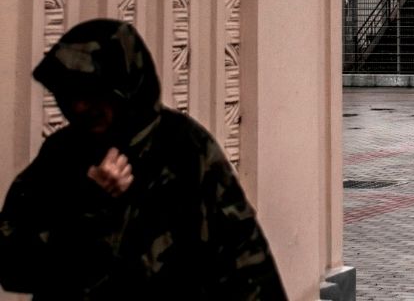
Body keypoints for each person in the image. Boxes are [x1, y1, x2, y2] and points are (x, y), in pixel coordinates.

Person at [0, 19, 285, 299]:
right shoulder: (61, 155)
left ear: (126, 86)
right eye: (70, 93)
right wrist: (90, 205)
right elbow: (12, 265)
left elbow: (244, 261)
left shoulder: (185, 149)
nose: (80, 106)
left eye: (92, 92)